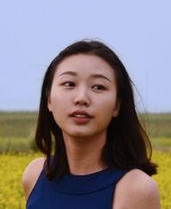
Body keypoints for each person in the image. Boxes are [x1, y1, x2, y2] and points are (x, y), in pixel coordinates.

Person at [22, 39, 160, 209]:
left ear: (117, 105)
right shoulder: (35, 174)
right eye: (69, 84)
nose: (81, 98)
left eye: (98, 87)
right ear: (49, 99)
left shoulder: (135, 189)